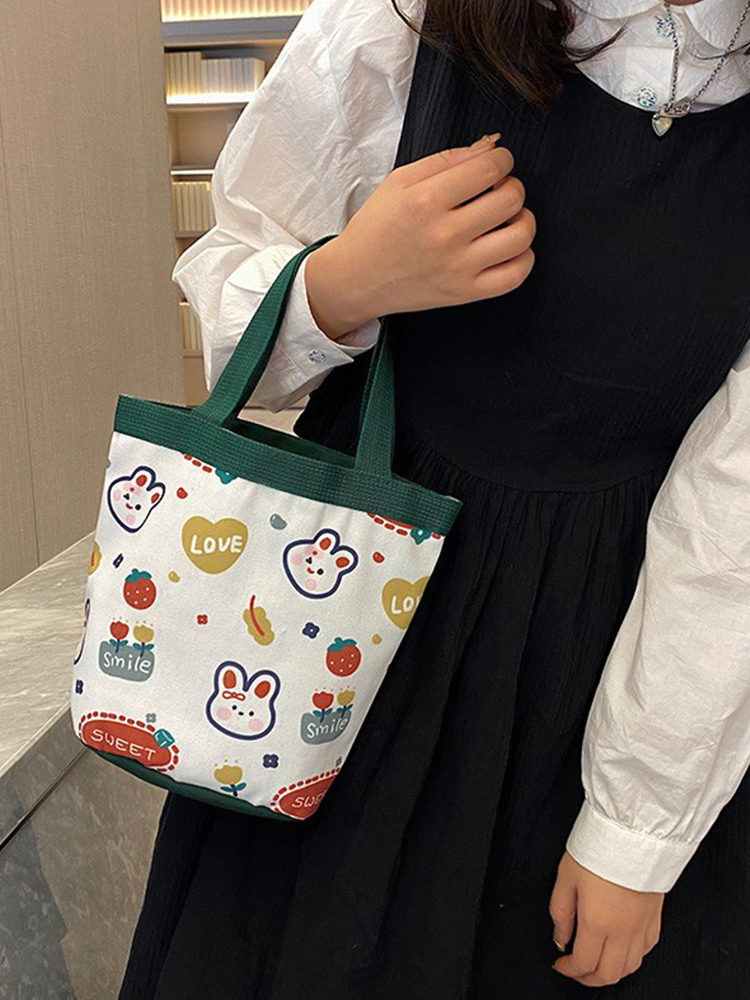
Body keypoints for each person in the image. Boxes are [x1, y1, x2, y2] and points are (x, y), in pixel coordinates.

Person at [118, 0, 750, 996]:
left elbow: (732, 518)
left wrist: (637, 827)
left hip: (629, 669)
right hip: (350, 617)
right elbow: (234, 293)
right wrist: (344, 283)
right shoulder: (409, 17)